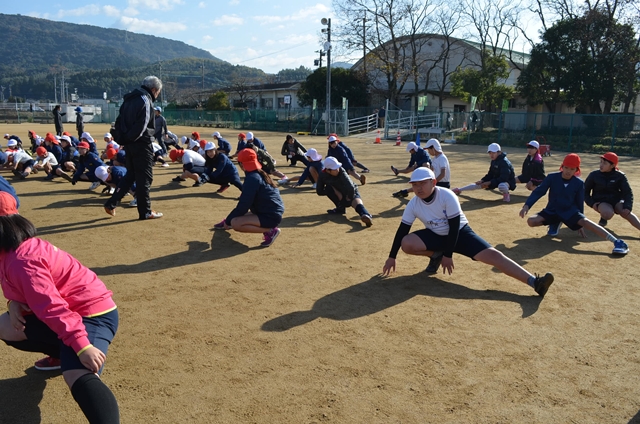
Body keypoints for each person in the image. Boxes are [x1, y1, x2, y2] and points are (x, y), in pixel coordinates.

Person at [0, 192, 120, 423]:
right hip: (67, 312)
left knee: (77, 373)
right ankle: (61, 354)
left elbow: (51, 307)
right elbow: (24, 291)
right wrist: (13, 303)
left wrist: (82, 346)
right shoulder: (9, 249)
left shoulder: (22, 261)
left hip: (92, 314)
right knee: (5, 326)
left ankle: (73, 356)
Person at [382, 168, 555, 297]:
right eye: (415, 184)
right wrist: (392, 257)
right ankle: (435, 255)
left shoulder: (447, 196)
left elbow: (454, 227)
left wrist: (448, 255)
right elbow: (402, 230)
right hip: (436, 235)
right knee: (407, 243)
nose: (418, 188)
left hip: (460, 233)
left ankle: (535, 282)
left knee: (494, 256)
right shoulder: (414, 204)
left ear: (433, 182)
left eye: (423, 183)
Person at [519, 153, 629, 256]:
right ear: (562, 167)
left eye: (572, 169)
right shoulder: (552, 177)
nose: (568, 171)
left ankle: (617, 242)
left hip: (570, 212)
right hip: (552, 210)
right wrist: (527, 206)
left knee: (586, 222)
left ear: (576, 170)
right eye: (566, 168)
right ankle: (555, 222)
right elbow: (539, 191)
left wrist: (579, 223)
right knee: (531, 221)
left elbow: (579, 202)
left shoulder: (579, 183)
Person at [104, 75, 164, 220]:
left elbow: (119, 121)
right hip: (141, 144)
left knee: (131, 175)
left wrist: (123, 140)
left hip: (129, 144)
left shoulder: (129, 99)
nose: (157, 95)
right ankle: (145, 211)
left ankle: (111, 203)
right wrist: (132, 139)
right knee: (145, 178)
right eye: (158, 92)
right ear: (154, 89)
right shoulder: (145, 100)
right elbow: (143, 126)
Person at [213, 148, 284, 247]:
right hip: (269, 211)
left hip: (270, 215)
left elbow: (244, 205)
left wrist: (229, 221)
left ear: (241, 164)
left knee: (235, 223)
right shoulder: (259, 173)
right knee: (235, 218)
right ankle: (228, 221)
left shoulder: (252, 178)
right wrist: (228, 220)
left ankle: (270, 230)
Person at [585, 152, 640, 230]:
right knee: (607, 213)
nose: (601, 165)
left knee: (626, 212)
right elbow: (584, 192)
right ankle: (604, 217)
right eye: (601, 162)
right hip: (601, 201)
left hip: (616, 200)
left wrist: (627, 207)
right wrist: (592, 203)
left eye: (604, 163)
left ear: (612, 166)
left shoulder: (620, 176)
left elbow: (627, 192)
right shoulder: (594, 175)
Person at [316, 156, 373, 227]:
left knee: (356, 204)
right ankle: (340, 207)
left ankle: (365, 215)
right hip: (339, 195)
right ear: (328, 170)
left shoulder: (341, 171)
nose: (337, 170)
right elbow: (319, 191)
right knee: (329, 188)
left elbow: (351, 187)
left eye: (337, 167)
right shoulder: (322, 175)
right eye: (334, 169)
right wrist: (334, 191)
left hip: (350, 192)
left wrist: (349, 197)